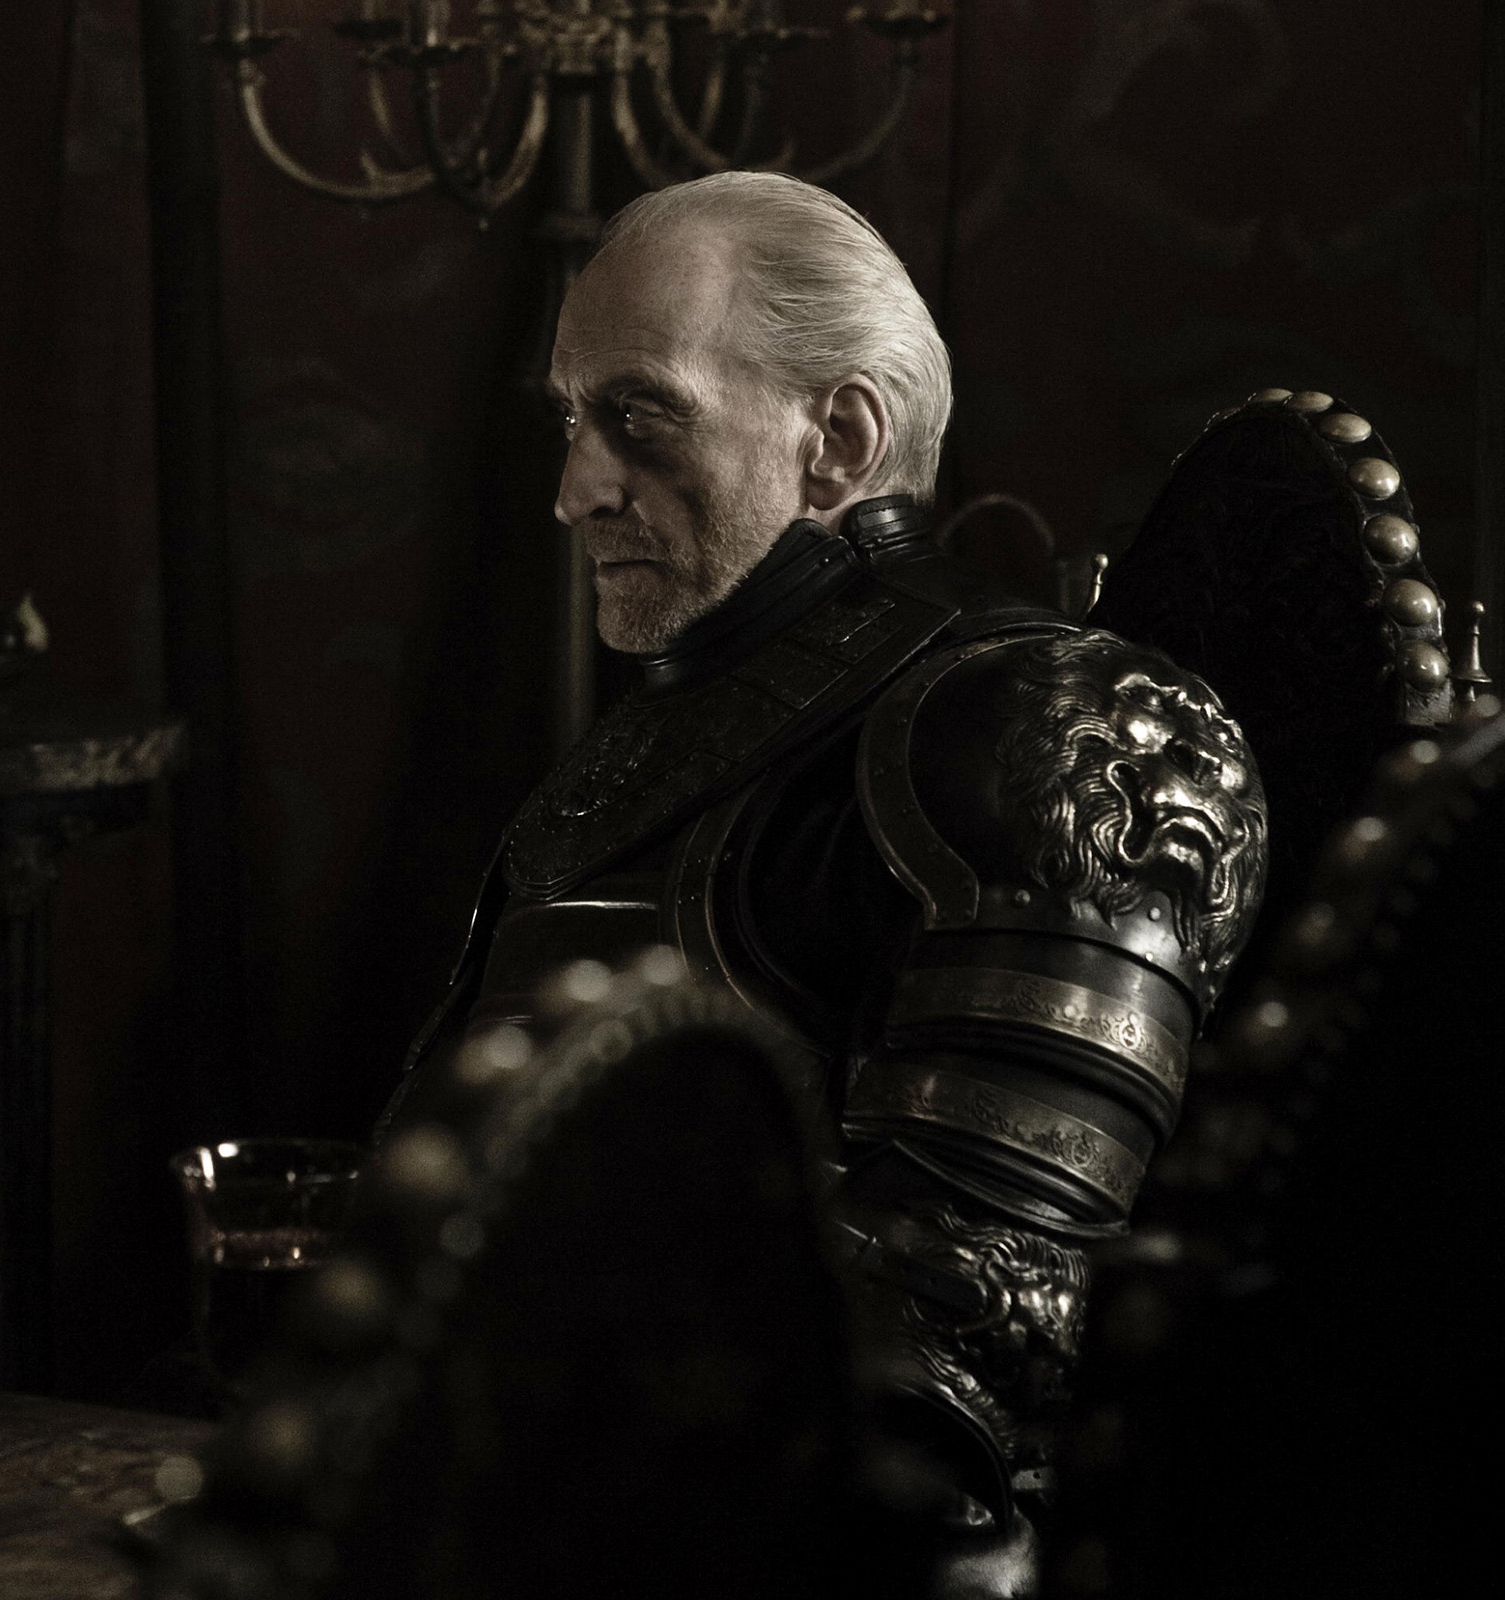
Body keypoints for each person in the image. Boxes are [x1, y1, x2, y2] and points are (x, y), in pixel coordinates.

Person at [379, 172, 1270, 1595]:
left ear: (838, 440)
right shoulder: (673, 727)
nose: (573, 489)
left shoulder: (1039, 725)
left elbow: (972, 1333)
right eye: (571, 419)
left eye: (639, 414)